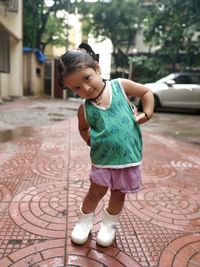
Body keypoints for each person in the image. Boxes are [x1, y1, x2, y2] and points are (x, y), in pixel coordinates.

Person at [58, 43, 154, 247]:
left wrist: (147, 113)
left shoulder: (120, 86)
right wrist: (89, 141)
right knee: (95, 192)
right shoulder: (84, 109)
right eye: (76, 88)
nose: (85, 88)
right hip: (102, 161)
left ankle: (109, 225)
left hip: (128, 158)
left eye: (87, 78)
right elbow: (83, 129)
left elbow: (146, 92)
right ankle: (84, 222)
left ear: (98, 69)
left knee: (119, 194)